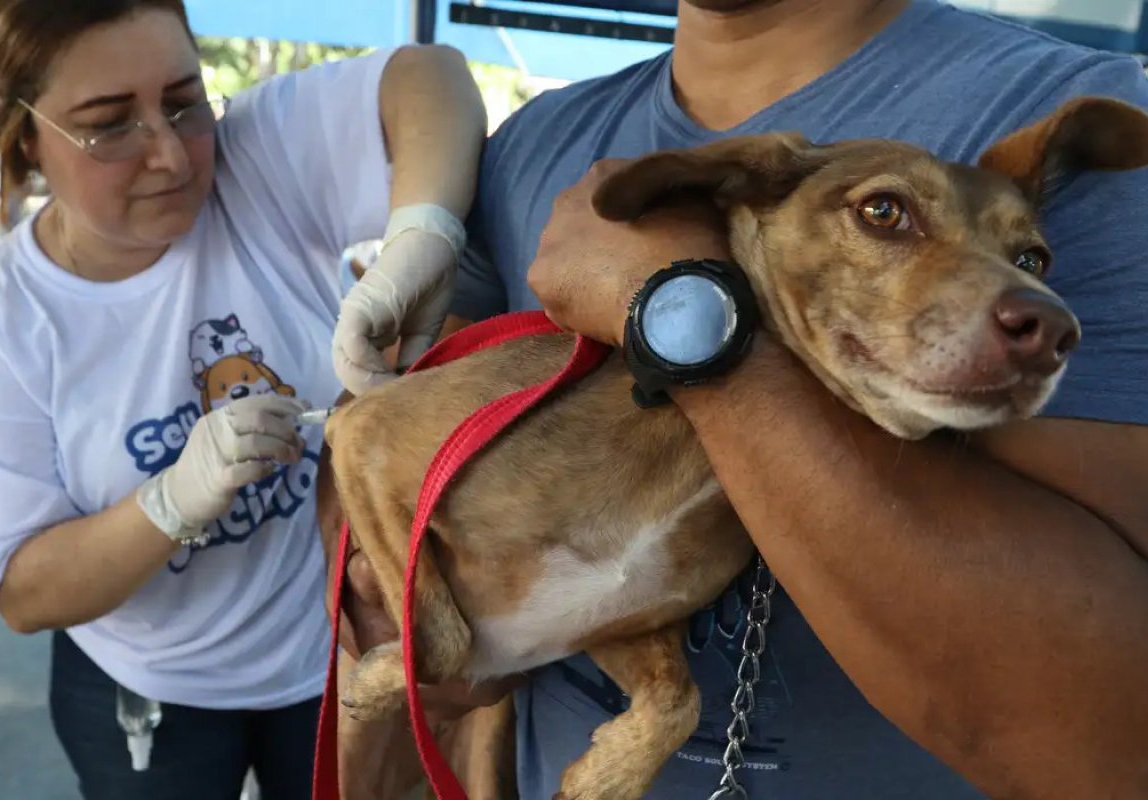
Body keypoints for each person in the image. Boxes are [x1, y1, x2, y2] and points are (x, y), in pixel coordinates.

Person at [331, 0, 1148, 797]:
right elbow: (378, 485)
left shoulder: (1053, 111)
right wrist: (394, 617)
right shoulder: (539, 142)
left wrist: (678, 310)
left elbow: (1115, 744)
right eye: (885, 213)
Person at [0, 1, 486, 798]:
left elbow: (430, 77)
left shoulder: (250, 159)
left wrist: (422, 239)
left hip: (333, 651)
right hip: (150, 685)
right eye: (109, 124)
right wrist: (170, 501)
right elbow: (24, 591)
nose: (171, 154)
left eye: (183, 100)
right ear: (22, 133)